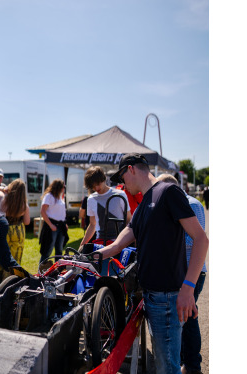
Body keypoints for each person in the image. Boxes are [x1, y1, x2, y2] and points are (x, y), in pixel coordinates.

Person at [95, 154, 208, 374]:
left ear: (132, 169)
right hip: (154, 296)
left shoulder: (168, 192)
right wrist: (98, 254)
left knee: (167, 367)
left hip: (166, 297)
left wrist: (188, 287)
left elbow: (201, 239)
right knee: (163, 364)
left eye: (122, 176)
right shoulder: (145, 200)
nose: (123, 183)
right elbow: (126, 235)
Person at [157, 174, 207, 374]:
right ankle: (189, 363)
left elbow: (190, 241)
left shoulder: (188, 205)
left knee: (186, 320)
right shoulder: (193, 202)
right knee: (187, 319)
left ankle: (192, 365)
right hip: (193, 271)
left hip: (189, 272)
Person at [79, 166, 131, 247]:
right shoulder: (91, 199)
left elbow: (128, 219)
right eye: (93, 186)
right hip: (101, 242)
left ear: (104, 179)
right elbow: (92, 224)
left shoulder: (120, 194)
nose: (96, 188)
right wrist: (82, 245)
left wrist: (126, 241)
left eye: (98, 184)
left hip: (119, 242)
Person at [0, 179, 31, 287]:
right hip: (18, 232)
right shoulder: (24, 205)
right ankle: (11, 281)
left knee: (1, 256)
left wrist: (4, 188)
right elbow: (27, 222)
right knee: (15, 258)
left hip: (5, 230)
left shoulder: (5, 200)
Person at [38, 179, 69, 264]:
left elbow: (61, 212)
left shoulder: (60, 197)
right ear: (58, 187)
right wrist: (50, 225)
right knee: (48, 250)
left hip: (60, 225)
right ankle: (41, 270)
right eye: (63, 187)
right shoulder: (49, 196)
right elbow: (43, 211)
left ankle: (56, 270)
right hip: (52, 225)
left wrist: (64, 223)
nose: (64, 189)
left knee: (59, 250)